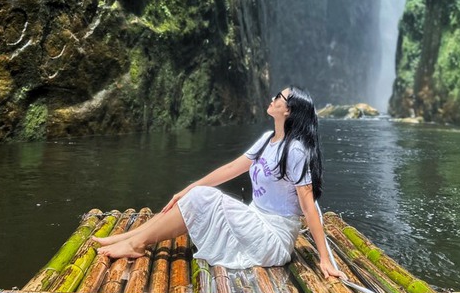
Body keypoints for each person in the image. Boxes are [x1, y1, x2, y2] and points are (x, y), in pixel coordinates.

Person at [94, 86, 342, 279]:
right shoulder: (268, 139)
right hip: (256, 221)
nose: (273, 98)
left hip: (272, 239)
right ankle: (130, 237)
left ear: (288, 110)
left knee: (202, 197)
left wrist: (325, 259)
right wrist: (188, 188)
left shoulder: (296, 150)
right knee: (195, 195)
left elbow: (309, 207)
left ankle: (135, 244)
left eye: (280, 97)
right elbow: (232, 168)